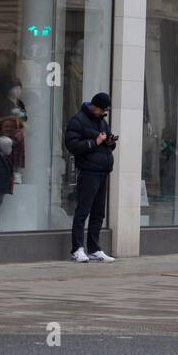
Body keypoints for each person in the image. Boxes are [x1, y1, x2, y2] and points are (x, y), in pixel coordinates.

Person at [64, 92, 116, 263]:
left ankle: (94, 248)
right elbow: (72, 144)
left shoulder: (102, 121)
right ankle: (77, 248)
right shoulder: (77, 120)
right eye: (102, 110)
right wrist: (95, 142)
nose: (104, 114)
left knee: (98, 213)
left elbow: (106, 143)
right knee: (83, 211)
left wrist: (110, 142)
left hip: (103, 171)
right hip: (88, 171)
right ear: (95, 106)